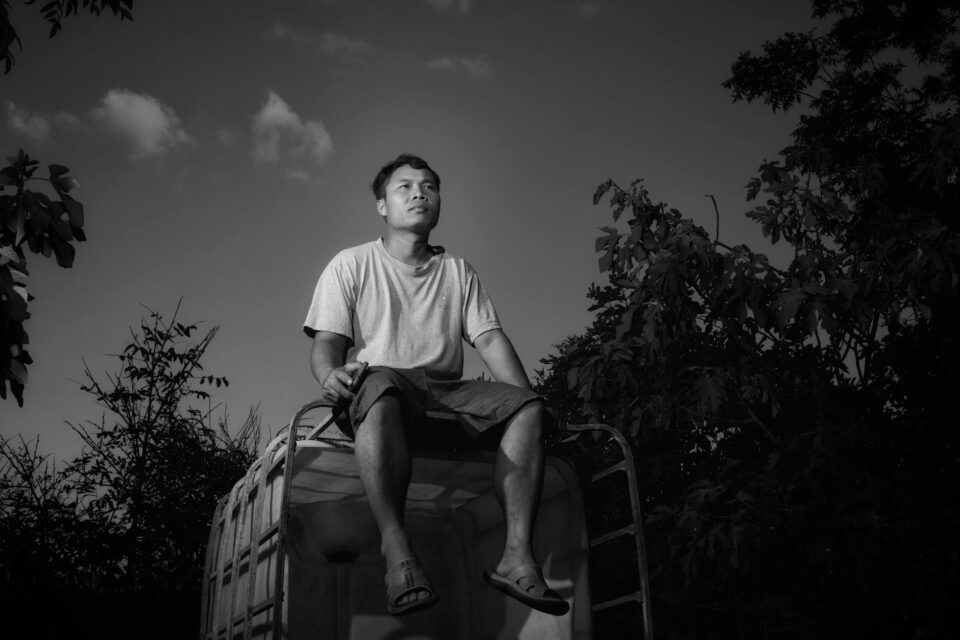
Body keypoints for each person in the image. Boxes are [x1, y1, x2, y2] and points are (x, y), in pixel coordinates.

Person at [303, 154, 569, 617]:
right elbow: (328, 344)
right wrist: (330, 374)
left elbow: (489, 339)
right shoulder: (351, 264)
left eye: (429, 186)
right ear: (382, 206)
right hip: (381, 395)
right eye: (404, 187)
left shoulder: (458, 272)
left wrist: (530, 404)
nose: (418, 193)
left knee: (528, 406)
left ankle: (515, 557)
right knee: (380, 384)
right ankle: (397, 551)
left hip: (447, 394)